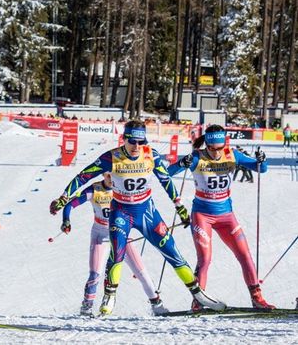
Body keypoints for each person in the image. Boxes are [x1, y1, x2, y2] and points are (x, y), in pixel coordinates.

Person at [50, 119, 225, 316]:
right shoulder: (111, 157)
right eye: (132, 141)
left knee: (172, 251)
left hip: (147, 212)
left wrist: (179, 206)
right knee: (117, 254)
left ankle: (198, 294)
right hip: (121, 212)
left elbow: (165, 180)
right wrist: (64, 197)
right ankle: (110, 296)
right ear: (124, 139)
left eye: (141, 142)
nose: (136, 146)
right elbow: (83, 176)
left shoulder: (151, 155)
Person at [168, 125, 273, 310]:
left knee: (245, 255)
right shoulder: (196, 157)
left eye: (220, 148)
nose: (217, 153)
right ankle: (198, 301)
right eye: (212, 148)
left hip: (226, 216)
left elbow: (261, 169)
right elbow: (167, 174)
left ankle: (257, 297)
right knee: (205, 259)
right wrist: (180, 164)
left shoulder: (232, 154)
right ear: (206, 145)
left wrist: (262, 160)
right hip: (202, 216)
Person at [51, 173, 168, 316]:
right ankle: (86, 308)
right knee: (95, 274)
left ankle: (157, 306)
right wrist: (66, 220)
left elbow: (143, 205)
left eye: (115, 176)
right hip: (101, 235)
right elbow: (70, 205)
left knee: (141, 272)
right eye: (109, 176)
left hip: (122, 235)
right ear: (104, 175)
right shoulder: (94, 190)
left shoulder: (123, 189)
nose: (112, 180)